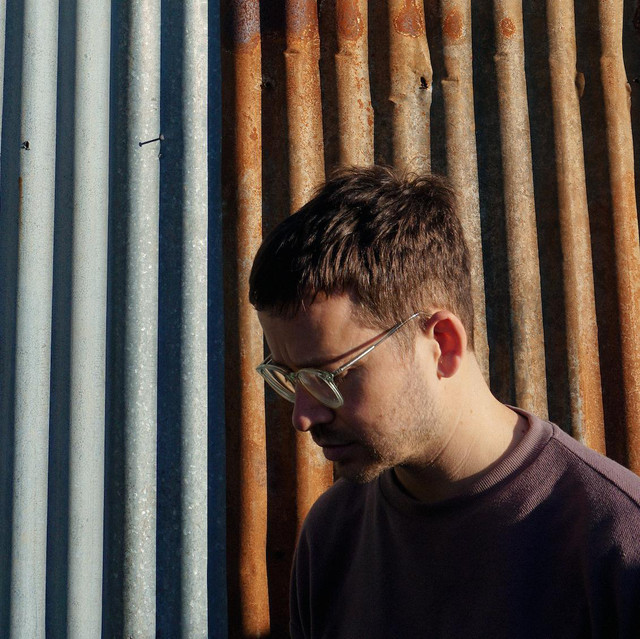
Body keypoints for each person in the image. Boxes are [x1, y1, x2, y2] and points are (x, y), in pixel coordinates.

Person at [248, 165, 640, 638]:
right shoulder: (332, 535)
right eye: (289, 379)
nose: (303, 416)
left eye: (328, 377)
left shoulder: (618, 546)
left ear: (443, 344)